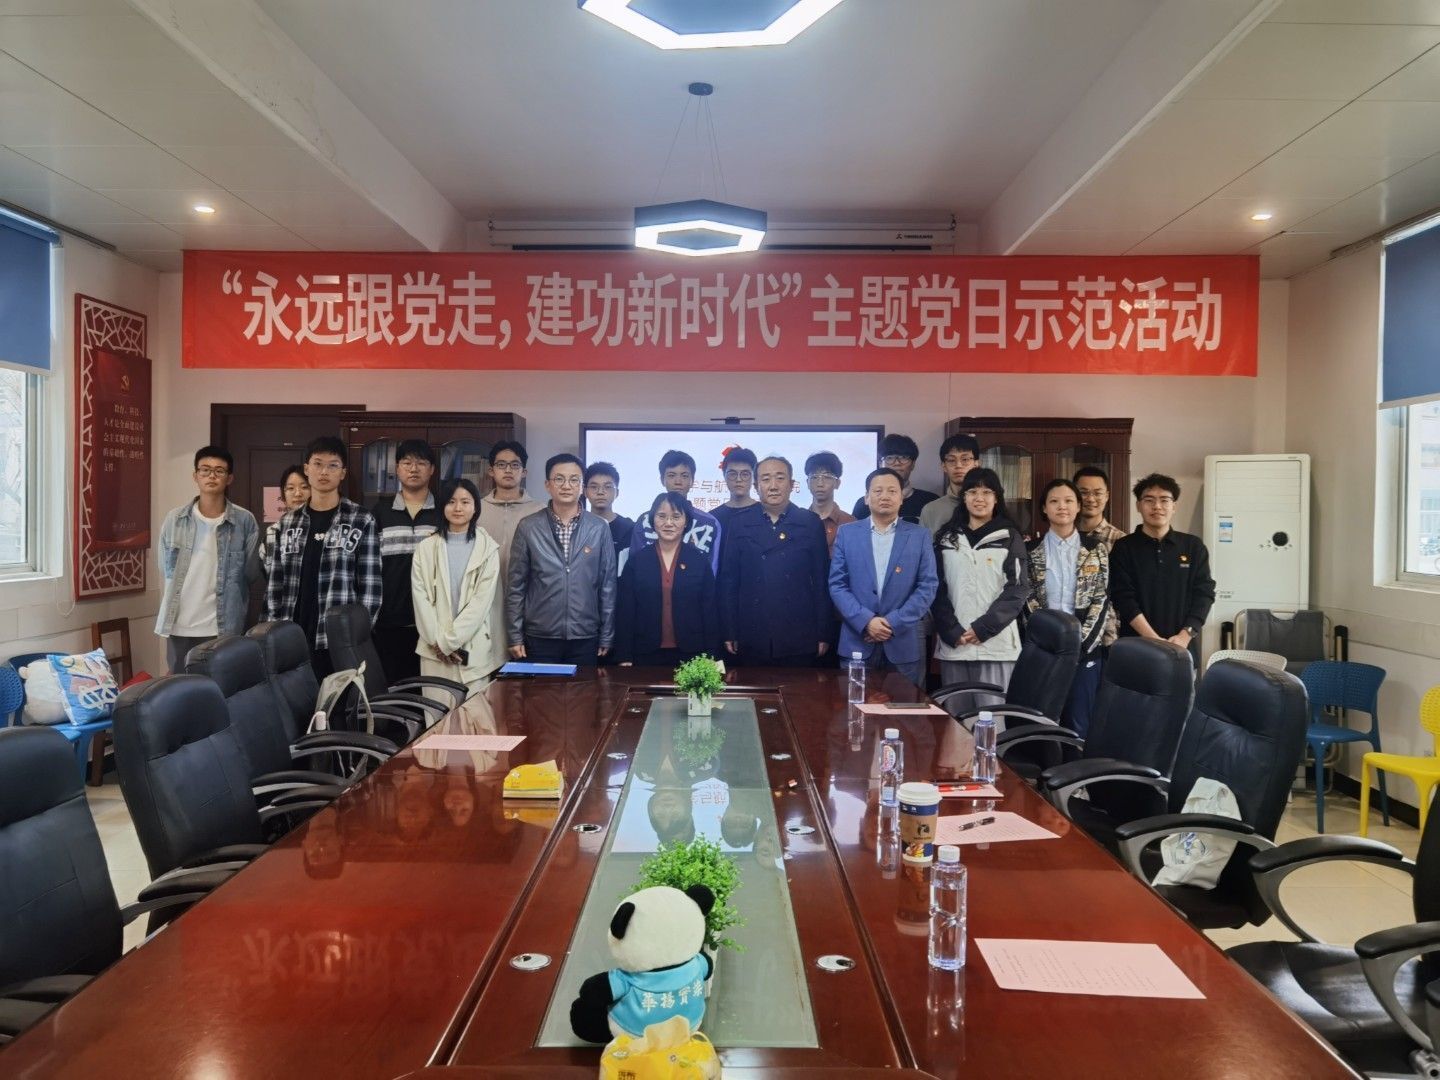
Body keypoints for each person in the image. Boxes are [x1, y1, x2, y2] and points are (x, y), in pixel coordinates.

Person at [265, 435, 381, 674]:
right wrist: (272, 631)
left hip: (339, 641)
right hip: (292, 638)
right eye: (318, 464)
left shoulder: (361, 520)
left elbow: (371, 589)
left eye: (333, 465)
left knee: (339, 698)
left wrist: (356, 636)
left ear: (343, 472)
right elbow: (275, 585)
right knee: (295, 698)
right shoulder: (286, 524)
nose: (324, 472)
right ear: (307, 469)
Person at [829, 468, 938, 688]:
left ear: (901, 497)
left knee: (906, 706)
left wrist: (892, 623)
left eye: (892, 491)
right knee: (854, 705)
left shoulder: (919, 535)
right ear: (866, 497)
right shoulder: (847, 533)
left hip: (903, 641)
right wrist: (866, 621)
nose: (885, 496)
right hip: (857, 640)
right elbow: (837, 584)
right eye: (878, 491)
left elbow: (927, 585)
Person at [719, 455, 832, 667]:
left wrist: (823, 632)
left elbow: (821, 581)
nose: (773, 486)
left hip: (799, 630)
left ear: (791, 484)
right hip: (751, 629)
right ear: (756, 486)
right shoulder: (739, 522)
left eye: (780, 478)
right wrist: (729, 630)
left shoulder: (809, 522)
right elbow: (729, 581)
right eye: (765, 479)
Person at [155, 445, 260, 673]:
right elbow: (165, 567)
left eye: (219, 471)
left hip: (223, 627)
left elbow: (251, 572)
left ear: (229, 478)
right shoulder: (174, 519)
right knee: (180, 688)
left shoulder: (244, 521)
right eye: (205, 470)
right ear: (195, 476)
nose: (212, 476)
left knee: (222, 687)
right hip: (179, 625)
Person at [930, 467, 1029, 708]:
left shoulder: (1010, 536)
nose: (979, 498)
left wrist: (983, 628)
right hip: (956, 642)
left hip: (995, 645)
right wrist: (951, 629)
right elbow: (935, 587)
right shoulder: (947, 538)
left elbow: (1017, 590)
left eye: (987, 492)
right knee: (955, 719)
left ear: (997, 498)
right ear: (963, 498)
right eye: (972, 492)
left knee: (991, 720)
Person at [506, 453, 617, 665]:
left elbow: (607, 586)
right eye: (559, 479)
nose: (566, 485)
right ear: (548, 485)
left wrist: (607, 634)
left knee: (585, 687)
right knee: (542, 688)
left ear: (582, 486)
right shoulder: (528, 527)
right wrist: (514, 635)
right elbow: (516, 587)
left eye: (574, 479)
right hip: (540, 635)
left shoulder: (599, 528)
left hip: (585, 635)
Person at [1025, 479, 1110, 736]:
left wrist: (1080, 648)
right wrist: (1047, 643)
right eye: (1054, 501)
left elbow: (1101, 599)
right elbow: (1028, 599)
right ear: (1044, 508)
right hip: (1045, 651)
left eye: (1068, 501)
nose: (1062, 506)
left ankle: (1076, 764)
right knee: (1041, 721)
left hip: (1085, 650)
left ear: (1078, 507)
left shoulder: (1095, 548)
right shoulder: (1031, 550)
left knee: (1078, 724)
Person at [1109, 472, 1216, 667]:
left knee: (1182, 689)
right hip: (1136, 649)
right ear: (1138, 506)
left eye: (1164, 500)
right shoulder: (1124, 548)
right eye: (1149, 500)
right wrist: (1154, 640)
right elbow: (1122, 597)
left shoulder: (1193, 546)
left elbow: (1204, 594)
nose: (1157, 506)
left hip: (1182, 648)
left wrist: (1185, 635)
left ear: (1174, 506)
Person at [411, 478, 500, 689]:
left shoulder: (488, 549)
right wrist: (438, 643)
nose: (458, 508)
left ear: (475, 507)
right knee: (436, 709)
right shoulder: (425, 548)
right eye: (451, 502)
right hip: (434, 650)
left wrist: (448, 643)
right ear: (442, 507)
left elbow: (480, 604)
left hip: (473, 648)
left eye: (465, 502)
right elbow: (420, 598)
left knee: (474, 710)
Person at [614, 491, 721, 667]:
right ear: (652, 520)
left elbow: (709, 611)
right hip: (644, 652)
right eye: (662, 516)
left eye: (676, 516)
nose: (668, 523)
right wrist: (624, 655)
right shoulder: (637, 561)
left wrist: (712, 655)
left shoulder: (699, 561)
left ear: (686, 521)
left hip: (692, 652)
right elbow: (626, 610)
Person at [372, 439, 444, 682]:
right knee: (395, 689)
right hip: (389, 621)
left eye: (421, 463)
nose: (414, 469)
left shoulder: (444, 512)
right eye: (407, 463)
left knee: (433, 689)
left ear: (432, 469)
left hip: (435, 621)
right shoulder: (379, 513)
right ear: (397, 468)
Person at [478, 440, 542, 676]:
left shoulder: (540, 511)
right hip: (484, 605)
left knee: (522, 678)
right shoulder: (475, 509)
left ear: (524, 472)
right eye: (501, 465)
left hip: (527, 606)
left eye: (515, 465)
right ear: (491, 470)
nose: (508, 470)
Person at [1074, 464, 1126, 653]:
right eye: (1084, 492)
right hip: (1068, 630)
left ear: (1107, 496)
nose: (1090, 499)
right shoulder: (1063, 538)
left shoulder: (1120, 540)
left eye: (1097, 493)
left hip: (1108, 635)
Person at [851, 433, 938, 524]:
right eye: (889, 458)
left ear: (913, 464)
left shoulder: (930, 502)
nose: (897, 463)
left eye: (903, 457)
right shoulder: (864, 504)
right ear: (880, 464)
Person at [920, 434, 980, 536]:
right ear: (943, 466)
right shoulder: (930, 510)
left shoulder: (986, 505)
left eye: (965, 459)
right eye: (951, 460)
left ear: (976, 463)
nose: (958, 465)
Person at [260, 465, 308, 574]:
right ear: (283, 495)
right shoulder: (273, 531)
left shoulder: (322, 527)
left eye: (304, 487)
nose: (298, 493)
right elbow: (268, 572)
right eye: (291, 488)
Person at [804, 450, 854, 554]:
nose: (820, 483)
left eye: (827, 477)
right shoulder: (798, 522)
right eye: (814, 477)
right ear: (807, 483)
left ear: (837, 483)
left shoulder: (850, 523)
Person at [584, 461, 634, 555]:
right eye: (594, 487)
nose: (600, 492)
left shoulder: (629, 528)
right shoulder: (578, 527)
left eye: (607, 487)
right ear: (585, 492)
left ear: (617, 493)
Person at [711, 447, 758, 534]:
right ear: (724, 475)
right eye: (732, 474)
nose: (738, 479)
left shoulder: (766, 514)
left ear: (754, 476)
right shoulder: (712, 518)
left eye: (745, 474)